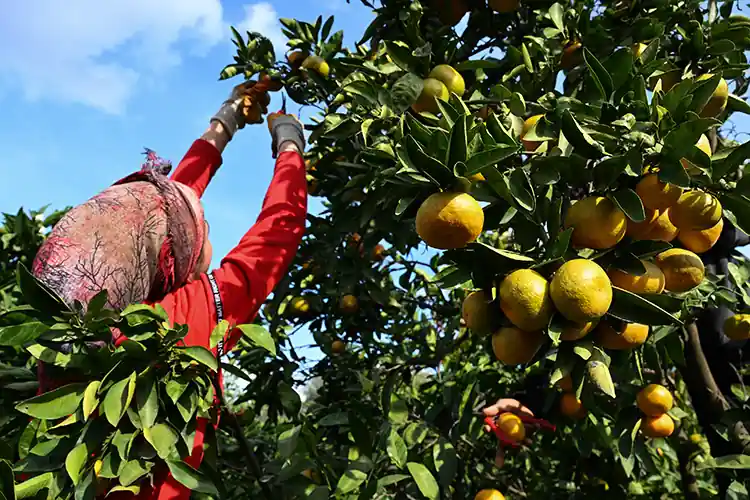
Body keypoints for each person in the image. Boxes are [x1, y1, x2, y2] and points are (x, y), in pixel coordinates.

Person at [31, 82, 308, 499]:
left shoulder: (73, 324)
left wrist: (229, 116)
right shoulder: (189, 316)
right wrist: (289, 143)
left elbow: (164, 207)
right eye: (205, 230)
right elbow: (279, 229)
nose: (208, 237)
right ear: (173, 256)